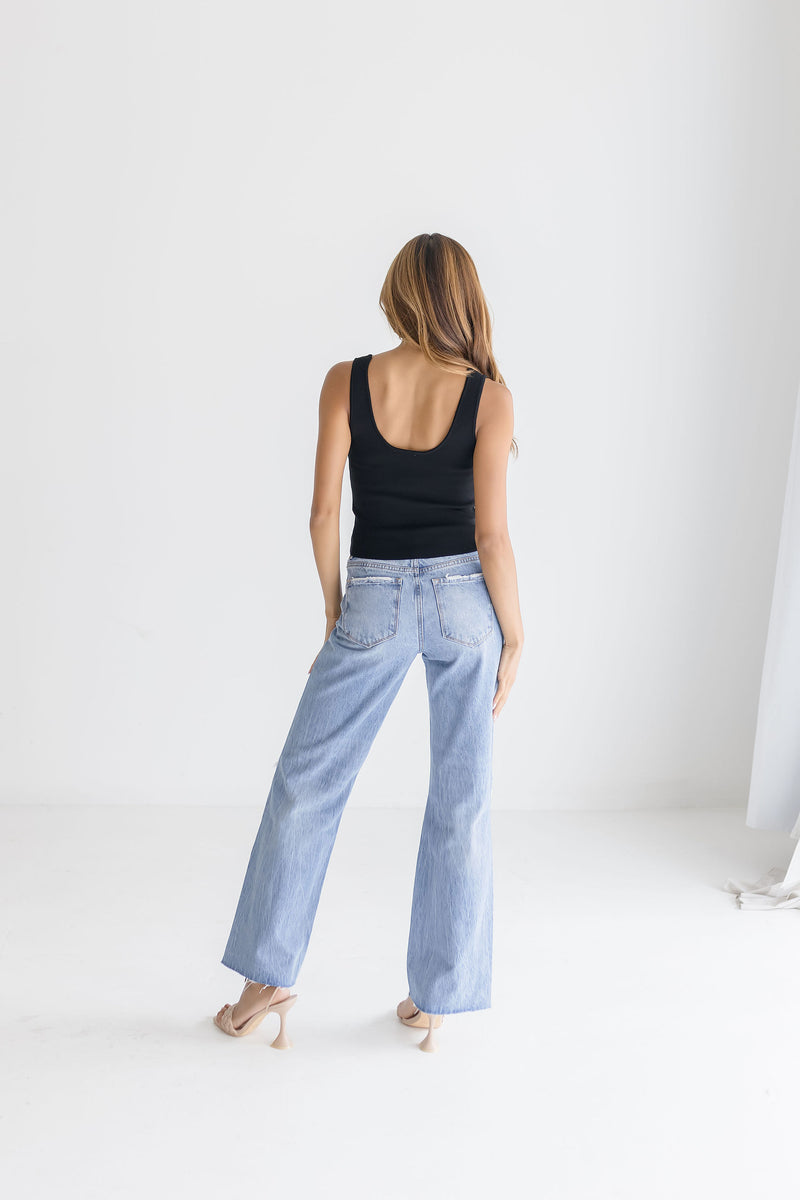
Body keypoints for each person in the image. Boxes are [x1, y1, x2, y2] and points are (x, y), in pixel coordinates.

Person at [213, 232, 524, 1052]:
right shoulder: (490, 398)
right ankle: (438, 1000)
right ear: (463, 299)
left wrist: (333, 610)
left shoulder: (346, 381)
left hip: (374, 595)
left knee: (306, 782)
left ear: (399, 293)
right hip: (465, 603)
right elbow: (492, 537)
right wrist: (516, 634)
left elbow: (322, 514)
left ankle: (266, 979)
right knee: (462, 799)